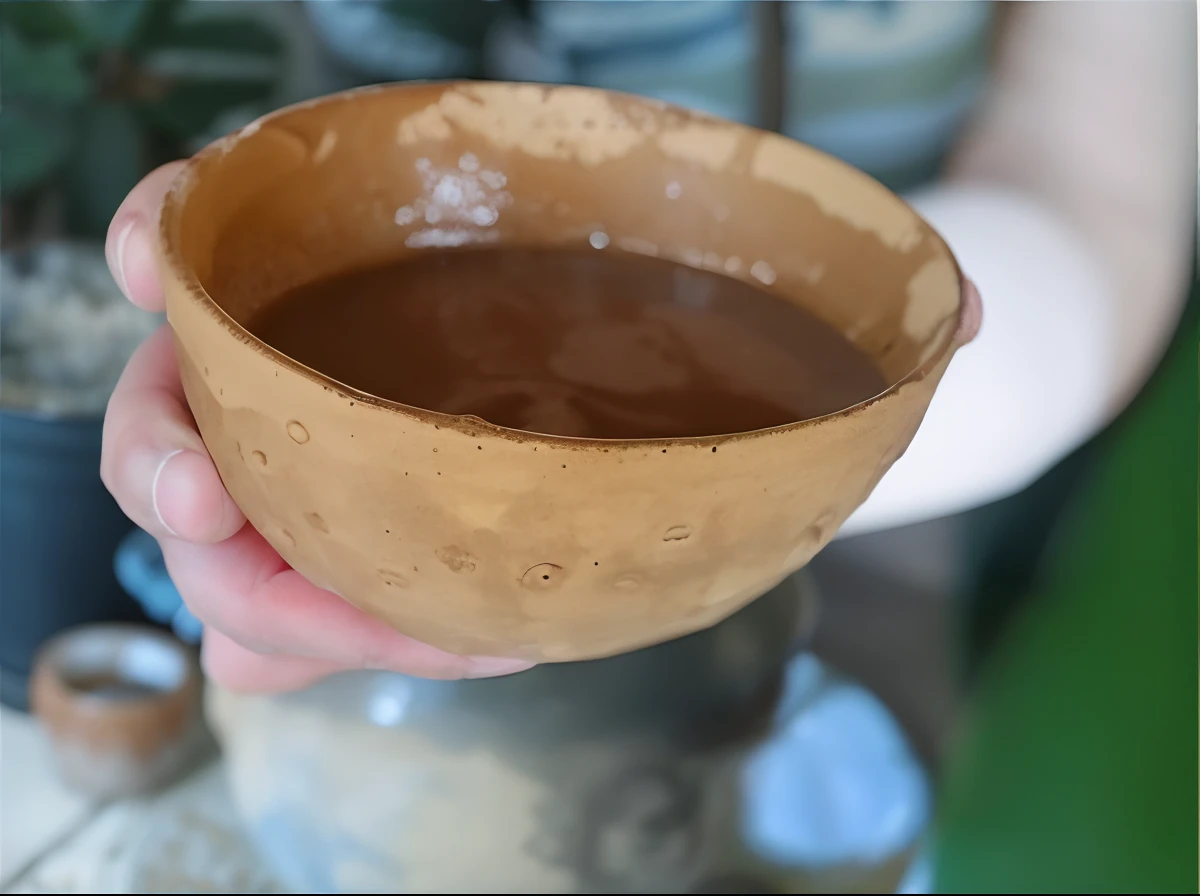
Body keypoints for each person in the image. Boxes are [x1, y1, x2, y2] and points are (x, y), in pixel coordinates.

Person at [100, 1, 1191, 702]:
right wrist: (244, 366)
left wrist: (852, 434)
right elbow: (351, 147)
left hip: (891, 525)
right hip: (389, 552)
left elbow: (1099, 178)